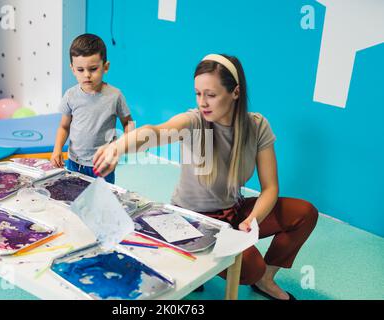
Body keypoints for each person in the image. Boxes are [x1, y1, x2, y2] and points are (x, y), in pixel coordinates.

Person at [92, 53, 319, 300]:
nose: (203, 102)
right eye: (198, 94)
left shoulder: (257, 126)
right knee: (251, 268)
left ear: (235, 92)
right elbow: (154, 132)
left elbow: (270, 188)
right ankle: (203, 262)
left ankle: (265, 281)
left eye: (211, 94)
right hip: (192, 220)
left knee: (304, 213)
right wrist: (118, 146)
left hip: (234, 211)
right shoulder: (194, 121)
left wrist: (252, 221)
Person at [51, 33, 134, 183]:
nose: (87, 75)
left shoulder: (115, 96)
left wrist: (122, 147)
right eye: (81, 70)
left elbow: (128, 123)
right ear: (73, 69)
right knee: (72, 200)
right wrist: (57, 150)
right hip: (74, 162)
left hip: (103, 163)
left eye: (93, 69)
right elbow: (64, 126)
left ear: (105, 67)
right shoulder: (70, 95)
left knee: (102, 202)